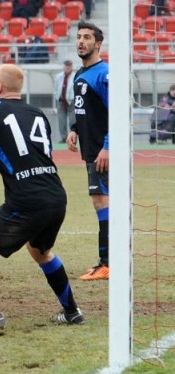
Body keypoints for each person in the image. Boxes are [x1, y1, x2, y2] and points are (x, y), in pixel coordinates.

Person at [0, 64, 83, 333]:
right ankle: (71, 311)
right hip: (56, 195)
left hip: (26, 200)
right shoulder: (38, 113)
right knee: (41, 252)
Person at [67, 22, 109, 281]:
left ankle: (106, 263)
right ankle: (109, 261)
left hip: (102, 151)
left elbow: (115, 112)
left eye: (87, 37)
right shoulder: (79, 75)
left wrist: (108, 147)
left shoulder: (104, 74)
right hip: (91, 147)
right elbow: (83, 108)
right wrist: (75, 129)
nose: (81, 41)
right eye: (79, 37)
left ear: (98, 44)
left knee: (102, 201)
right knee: (102, 201)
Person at [53, 60, 75, 143]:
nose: (68, 67)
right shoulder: (59, 76)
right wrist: (57, 97)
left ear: (72, 66)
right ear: (64, 67)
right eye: (66, 66)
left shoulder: (75, 76)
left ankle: (73, 138)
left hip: (71, 101)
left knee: (73, 121)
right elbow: (55, 88)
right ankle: (63, 138)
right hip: (61, 101)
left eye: (69, 65)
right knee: (61, 120)